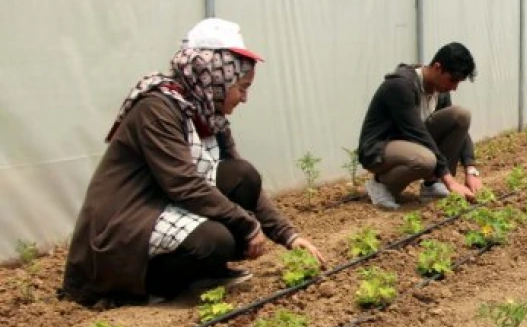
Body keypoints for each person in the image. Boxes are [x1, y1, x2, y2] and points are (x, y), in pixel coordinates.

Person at [60, 18, 327, 307]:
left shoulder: (208, 114)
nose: (244, 98)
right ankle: (149, 286)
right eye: (242, 87)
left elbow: (239, 176)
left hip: (164, 205)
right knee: (215, 241)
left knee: (242, 177)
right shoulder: (157, 109)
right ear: (216, 77)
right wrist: (247, 225)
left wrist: (289, 235)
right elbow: (184, 184)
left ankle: (203, 271)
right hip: (127, 222)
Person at [357, 42, 482, 210]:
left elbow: (459, 127)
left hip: (411, 143)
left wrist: (470, 169)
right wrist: (450, 181)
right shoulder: (401, 86)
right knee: (425, 160)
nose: (454, 88)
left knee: (460, 115)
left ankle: (432, 185)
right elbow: (416, 133)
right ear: (438, 68)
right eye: (452, 80)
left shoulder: (440, 91)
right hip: (380, 148)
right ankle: (380, 185)